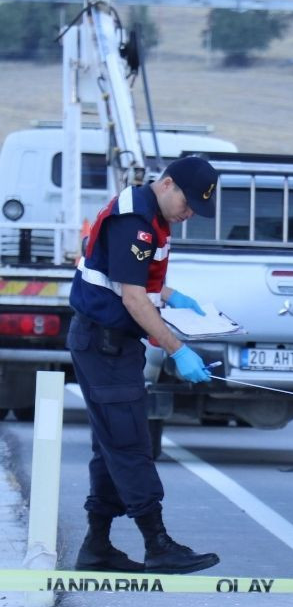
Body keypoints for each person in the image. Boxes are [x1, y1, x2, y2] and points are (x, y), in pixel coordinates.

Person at [68, 156, 221, 575]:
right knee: (130, 443)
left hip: (115, 345)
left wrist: (170, 295)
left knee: (111, 447)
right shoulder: (135, 219)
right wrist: (177, 349)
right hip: (103, 345)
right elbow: (133, 297)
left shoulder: (148, 213)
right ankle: (157, 543)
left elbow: (129, 275)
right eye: (188, 205)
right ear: (168, 184)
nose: (189, 215)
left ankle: (97, 545)